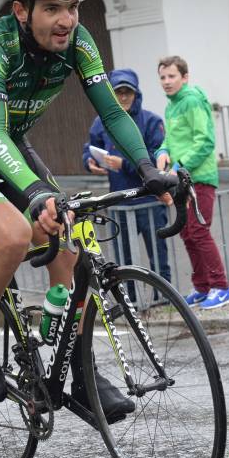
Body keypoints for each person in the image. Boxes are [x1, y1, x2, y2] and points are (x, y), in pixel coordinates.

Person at [0, 0, 169, 420]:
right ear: (21, 10)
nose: (67, 19)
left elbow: (112, 113)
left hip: (11, 145)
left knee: (70, 238)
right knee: (14, 234)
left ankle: (78, 369)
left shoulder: (78, 41)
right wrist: (36, 195)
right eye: (53, 8)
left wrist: (147, 167)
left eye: (72, 7)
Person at [155, 55, 229, 309]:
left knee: (198, 231)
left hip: (199, 177)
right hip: (183, 179)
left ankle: (221, 286)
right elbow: (170, 139)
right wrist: (162, 152)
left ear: (185, 77)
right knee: (188, 232)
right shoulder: (171, 105)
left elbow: (205, 141)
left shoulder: (191, 101)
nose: (166, 82)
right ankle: (202, 286)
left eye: (172, 76)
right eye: (163, 77)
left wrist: (180, 165)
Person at [82, 69, 171, 295]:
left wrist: (124, 164)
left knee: (157, 253)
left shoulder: (151, 121)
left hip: (148, 201)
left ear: (136, 93)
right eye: (118, 92)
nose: (123, 97)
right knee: (123, 258)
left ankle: (164, 300)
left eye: (127, 92)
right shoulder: (100, 122)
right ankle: (130, 301)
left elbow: (156, 161)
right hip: (119, 201)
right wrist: (89, 161)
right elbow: (89, 147)